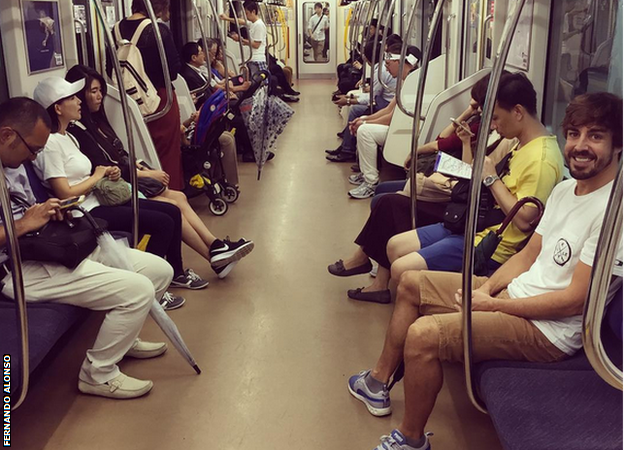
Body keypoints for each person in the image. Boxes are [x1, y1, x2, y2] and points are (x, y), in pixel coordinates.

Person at [348, 92, 624, 450]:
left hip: (548, 331)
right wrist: (488, 290)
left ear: (618, 145)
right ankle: (378, 382)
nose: (580, 145)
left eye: (596, 136)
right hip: (517, 296)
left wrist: (493, 306)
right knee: (411, 283)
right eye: (574, 134)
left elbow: (573, 302)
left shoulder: (614, 212)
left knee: (424, 335)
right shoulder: (566, 190)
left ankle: (410, 440)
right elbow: (527, 258)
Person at [0, 96, 173, 399]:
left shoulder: (10, 162)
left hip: (45, 247)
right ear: (7, 135)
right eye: (32, 150)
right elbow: (18, 224)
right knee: (138, 290)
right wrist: (24, 225)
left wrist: (45, 213)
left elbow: (22, 211)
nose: (32, 159)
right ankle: (98, 374)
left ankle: (124, 337)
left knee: (160, 271)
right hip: (17, 269)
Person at [63, 66, 252, 280]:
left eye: (100, 91)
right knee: (172, 205)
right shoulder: (77, 131)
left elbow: (120, 154)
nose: (98, 97)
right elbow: (105, 166)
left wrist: (142, 166)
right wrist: (145, 175)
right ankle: (214, 251)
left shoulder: (97, 123)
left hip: (124, 178)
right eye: (92, 92)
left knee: (178, 197)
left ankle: (215, 249)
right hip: (112, 189)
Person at [328, 74, 498, 303]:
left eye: (477, 101)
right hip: (453, 187)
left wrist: (423, 150)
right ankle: (371, 262)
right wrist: (469, 112)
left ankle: (371, 268)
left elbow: (461, 164)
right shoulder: (480, 122)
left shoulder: (495, 133)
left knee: (388, 203)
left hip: (455, 198)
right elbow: (444, 138)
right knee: (382, 194)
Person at [114, 0, 184, 189]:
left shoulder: (115, 30)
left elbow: (110, 67)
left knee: (139, 152)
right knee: (166, 151)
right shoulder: (158, 30)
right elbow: (173, 70)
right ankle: (171, 194)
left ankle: (150, 194)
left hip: (128, 100)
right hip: (160, 98)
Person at [334, 44, 420, 195]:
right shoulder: (404, 82)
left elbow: (392, 117)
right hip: (397, 126)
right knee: (361, 120)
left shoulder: (413, 84)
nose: (386, 69)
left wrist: (365, 122)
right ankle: (366, 174)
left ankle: (371, 182)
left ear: (399, 62)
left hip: (406, 130)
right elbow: (388, 110)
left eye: (388, 64)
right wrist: (364, 118)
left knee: (365, 131)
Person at [327, 40, 398, 162]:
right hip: (384, 102)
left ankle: (347, 149)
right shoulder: (380, 69)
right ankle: (346, 142)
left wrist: (349, 100)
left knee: (355, 110)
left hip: (384, 103)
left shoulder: (380, 71)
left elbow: (372, 98)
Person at [220, 1, 268, 77]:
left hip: (257, 60)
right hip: (252, 59)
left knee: (258, 85)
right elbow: (241, 21)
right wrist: (227, 18)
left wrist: (240, 39)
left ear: (253, 12)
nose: (245, 16)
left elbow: (256, 45)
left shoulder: (259, 25)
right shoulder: (253, 23)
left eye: (247, 13)